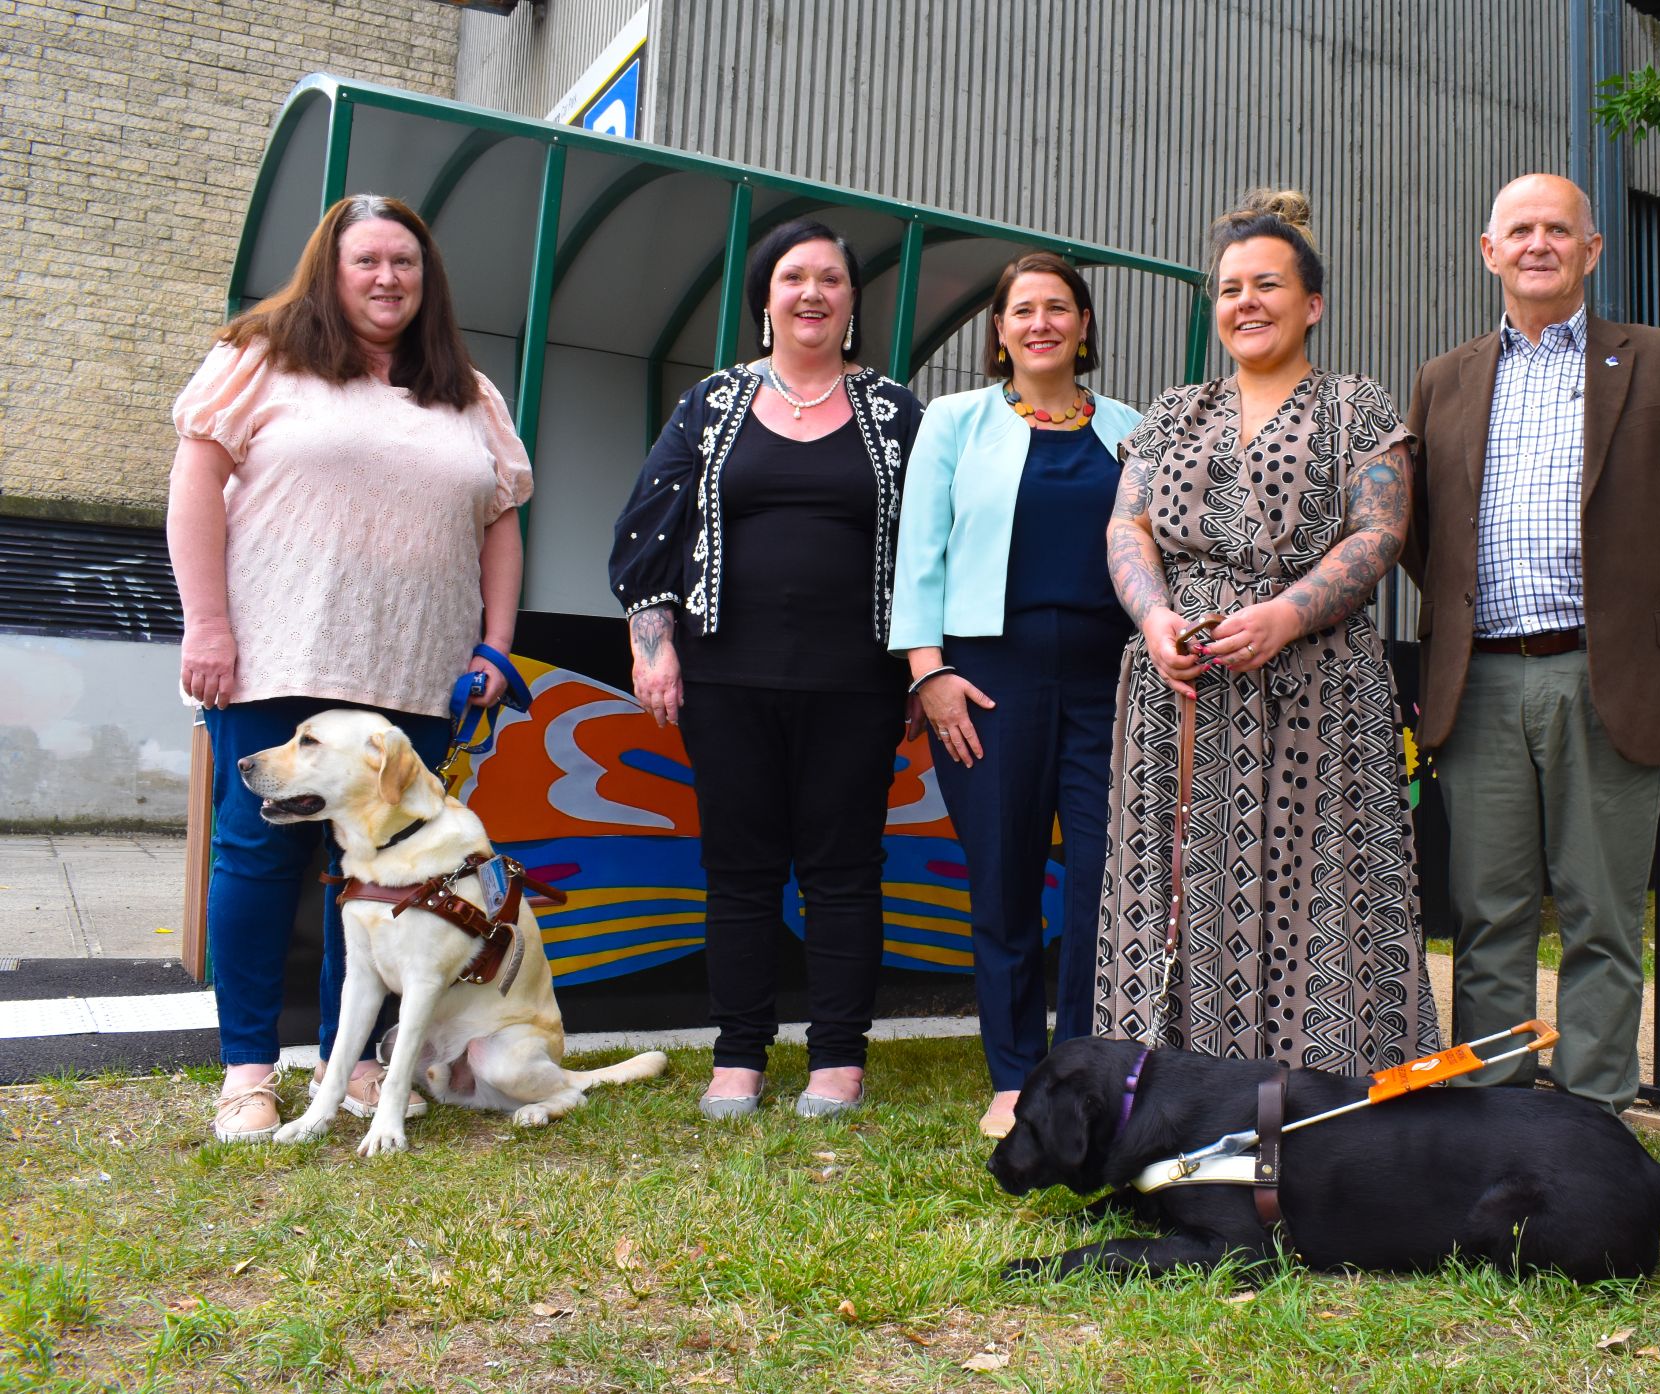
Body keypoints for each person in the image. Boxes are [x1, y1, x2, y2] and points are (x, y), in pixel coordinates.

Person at [167, 193, 532, 1143]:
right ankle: (248, 1070)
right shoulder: (260, 355)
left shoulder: (469, 392)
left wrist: (495, 642)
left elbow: (501, 522)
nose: (386, 278)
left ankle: (354, 1064)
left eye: (404, 264)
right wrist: (206, 623)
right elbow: (194, 480)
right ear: (330, 270)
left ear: (427, 280)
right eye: (366, 260)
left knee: (382, 879)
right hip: (277, 651)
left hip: (414, 670)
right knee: (257, 855)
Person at [1402, 172, 1660, 1114]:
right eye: (1521, 229)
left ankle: (1594, 1123)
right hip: (1486, 682)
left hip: (1608, 675)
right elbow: (1424, 538)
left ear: (1592, 250)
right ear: (1489, 250)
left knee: (1601, 918)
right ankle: (1498, 1119)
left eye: (1560, 228)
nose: (1539, 243)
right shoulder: (1444, 379)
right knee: (1487, 917)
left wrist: (1641, 625)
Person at [1095, 191, 1439, 1072]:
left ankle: (1331, 1104)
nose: (1245, 302)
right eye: (1229, 288)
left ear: (1311, 304)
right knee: (1175, 890)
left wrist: (1285, 614)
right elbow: (1127, 528)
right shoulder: (1172, 413)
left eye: (1268, 285)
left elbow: (1380, 531)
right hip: (1185, 690)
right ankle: (1167, 1100)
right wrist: (1154, 616)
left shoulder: (1354, 405)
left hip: (1318, 685)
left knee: (1325, 890)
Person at [609, 220, 923, 1121]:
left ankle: (837, 1061)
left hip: (858, 684)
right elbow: (646, 529)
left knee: (843, 871)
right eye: (794, 278)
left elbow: (932, 548)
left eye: (831, 278)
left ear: (854, 303)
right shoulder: (710, 404)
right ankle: (738, 1057)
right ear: (766, 300)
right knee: (739, 869)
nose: (812, 292)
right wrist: (653, 644)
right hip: (725, 678)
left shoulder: (899, 415)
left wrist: (920, 668)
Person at [890, 254, 1143, 1139]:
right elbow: (917, 552)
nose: (1041, 323)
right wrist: (930, 674)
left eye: (1059, 308)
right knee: (1003, 878)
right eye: (1022, 310)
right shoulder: (955, 423)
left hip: (1110, 684)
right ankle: (1010, 1073)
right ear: (999, 329)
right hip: (985, 683)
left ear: (1084, 324)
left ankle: (1081, 1065)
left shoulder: (1132, 429)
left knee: (1103, 883)